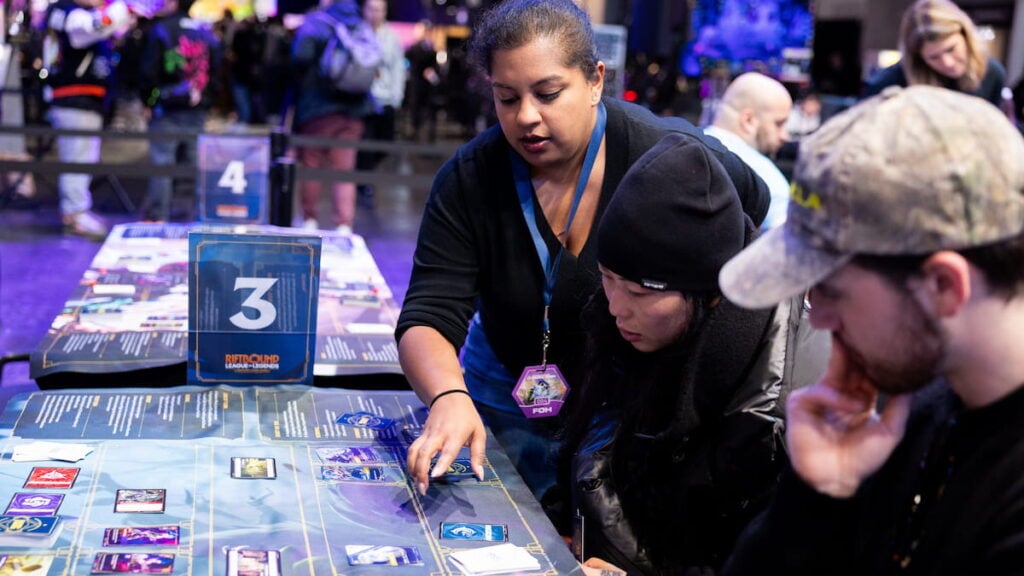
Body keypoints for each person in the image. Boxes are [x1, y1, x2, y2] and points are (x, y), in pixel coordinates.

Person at [397, 0, 769, 519]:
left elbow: (754, 206)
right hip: (501, 391)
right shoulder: (471, 178)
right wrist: (446, 397)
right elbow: (427, 313)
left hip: (626, 404)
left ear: (595, 80)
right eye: (507, 98)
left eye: (548, 94)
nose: (526, 116)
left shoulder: (661, 150)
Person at [717, 85, 1024, 575]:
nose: (817, 317)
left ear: (943, 286)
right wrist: (818, 498)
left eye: (832, 290)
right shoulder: (915, 409)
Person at [565, 134, 827, 575]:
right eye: (607, 278)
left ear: (710, 296)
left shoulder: (786, 412)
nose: (615, 307)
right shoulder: (625, 328)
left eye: (639, 292)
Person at [42, 0, 132, 238]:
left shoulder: (71, 11)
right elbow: (93, 27)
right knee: (78, 158)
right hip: (75, 99)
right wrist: (121, 9)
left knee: (82, 157)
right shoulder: (67, 12)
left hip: (83, 99)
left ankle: (76, 211)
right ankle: (76, 214)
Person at [290, 0, 375, 234]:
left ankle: (309, 221)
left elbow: (299, 57)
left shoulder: (315, 22)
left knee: (312, 165)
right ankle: (343, 226)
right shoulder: (359, 22)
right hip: (354, 111)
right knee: (344, 170)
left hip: (316, 108)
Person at [139, 0, 222, 222]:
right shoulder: (205, 31)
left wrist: (147, 100)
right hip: (196, 108)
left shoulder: (162, 28)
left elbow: (149, 71)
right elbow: (217, 71)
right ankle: (202, 217)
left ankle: (159, 216)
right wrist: (205, 99)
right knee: (198, 167)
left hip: (167, 107)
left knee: (162, 164)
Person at [863, 0, 1007, 109]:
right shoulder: (890, 82)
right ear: (919, 58)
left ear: (966, 36)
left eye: (951, 49)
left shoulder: (992, 74)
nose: (947, 63)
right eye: (933, 57)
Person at [705, 72, 793, 231]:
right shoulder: (768, 182)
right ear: (748, 120)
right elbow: (788, 249)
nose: (785, 136)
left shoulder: (686, 146)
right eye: (779, 124)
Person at [355, 0, 405, 204]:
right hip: (363, 99)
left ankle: (363, 173)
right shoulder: (357, 33)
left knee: (385, 144)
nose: (376, 14)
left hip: (386, 99)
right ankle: (364, 184)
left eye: (380, 10)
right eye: (372, 9)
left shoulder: (391, 36)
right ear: (365, 11)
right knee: (365, 144)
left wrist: (397, 96)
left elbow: (397, 68)